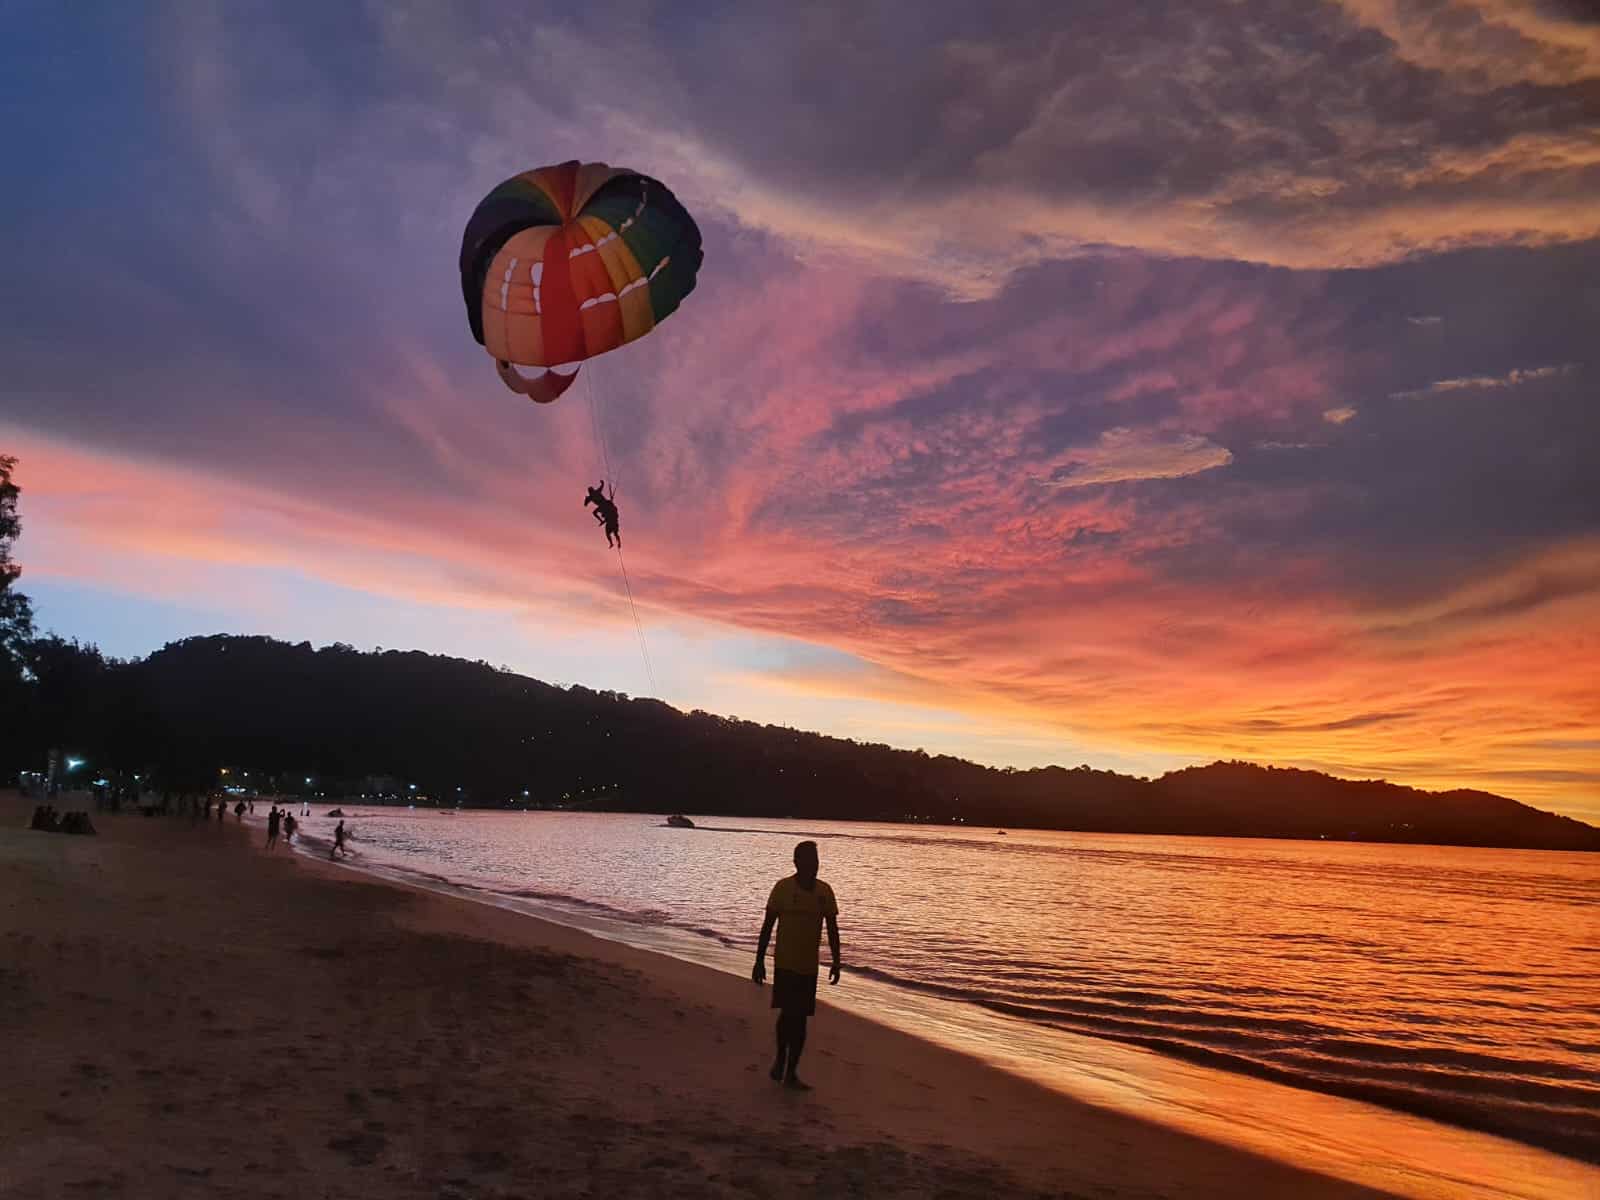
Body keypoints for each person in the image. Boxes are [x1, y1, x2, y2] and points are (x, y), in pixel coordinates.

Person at [752, 841, 840, 1090]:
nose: (814, 865)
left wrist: (836, 961)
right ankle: (780, 1059)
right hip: (785, 964)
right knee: (788, 1014)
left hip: (809, 967)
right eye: (809, 860)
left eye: (816, 860)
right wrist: (759, 961)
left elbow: (833, 930)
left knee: (800, 1020)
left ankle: (791, 1071)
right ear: (797, 862)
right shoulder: (782, 888)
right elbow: (767, 926)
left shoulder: (825, 892)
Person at [583, 480, 621, 548]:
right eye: (590, 492)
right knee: (594, 513)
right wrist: (602, 483)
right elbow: (586, 503)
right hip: (603, 506)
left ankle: (617, 542)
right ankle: (612, 543)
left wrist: (602, 483)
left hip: (604, 505)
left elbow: (602, 486)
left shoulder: (595, 493)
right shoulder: (592, 495)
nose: (591, 493)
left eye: (591, 491)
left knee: (614, 533)